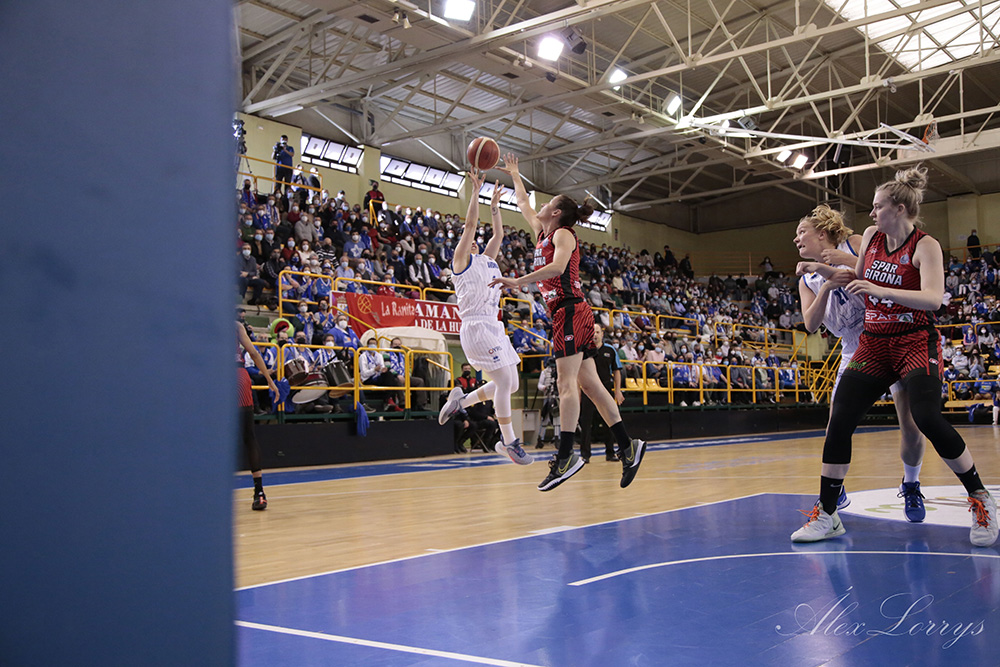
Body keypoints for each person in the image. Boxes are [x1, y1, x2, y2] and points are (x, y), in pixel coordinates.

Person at [791, 165, 997, 547]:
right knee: (839, 419)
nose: (871, 213)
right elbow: (858, 276)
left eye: (878, 206)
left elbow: (933, 299)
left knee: (925, 417)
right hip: (873, 341)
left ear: (899, 209)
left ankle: (980, 498)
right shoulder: (871, 237)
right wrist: (822, 269)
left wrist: (880, 290)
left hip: (914, 340)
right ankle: (828, 513)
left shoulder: (926, 245)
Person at [490, 153, 645, 491]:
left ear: (556, 213)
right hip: (567, 313)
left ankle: (565, 456)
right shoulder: (541, 233)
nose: (541, 205)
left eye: (547, 203)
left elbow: (558, 268)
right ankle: (628, 446)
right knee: (591, 386)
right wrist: (515, 174)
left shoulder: (564, 235)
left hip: (570, 310)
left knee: (565, 384)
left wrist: (517, 281)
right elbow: (523, 203)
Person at [793, 204, 926, 522]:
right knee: (835, 426)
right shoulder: (807, 279)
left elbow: (890, 273)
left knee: (910, 424)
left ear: (821, 234)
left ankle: (911, 484)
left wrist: (847, 261)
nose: (796, 239)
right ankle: (835, 490)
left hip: (889, 334)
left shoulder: (853, 244)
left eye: (801, 232)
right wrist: (826, 284)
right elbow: (811, 324)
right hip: (854, 348)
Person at [437, 170, 530, 465]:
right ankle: (509, 442)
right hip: (476, 325)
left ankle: (461, 401)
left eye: (477, 240)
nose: (474, 241)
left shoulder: (488, 261)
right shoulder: (461, 262)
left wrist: (495, 207)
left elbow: (498, 235)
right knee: (503, 382)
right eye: (469, 240)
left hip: (494, 325)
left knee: (512, 385)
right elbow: (470, 225)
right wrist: (475, 193)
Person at [237, 322, 279, 510]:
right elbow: (254, 353)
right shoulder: (236, 326)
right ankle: (259, 493)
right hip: (239, 376)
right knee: (249, 437)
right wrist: (270, 381)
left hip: (217, 376)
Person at [578, 324, 624, 463]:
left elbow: (617, 371)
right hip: (587, 390)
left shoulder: (610, 350)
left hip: (606, 389)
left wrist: (617, 391)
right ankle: (585, 455)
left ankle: (610, 453)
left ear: (602, 334)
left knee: (609, 421)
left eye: (597, 332)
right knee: (586, 423)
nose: (595, 335)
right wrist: (578, 393)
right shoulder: (584, 351)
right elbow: (577, 373)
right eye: (593, 332)